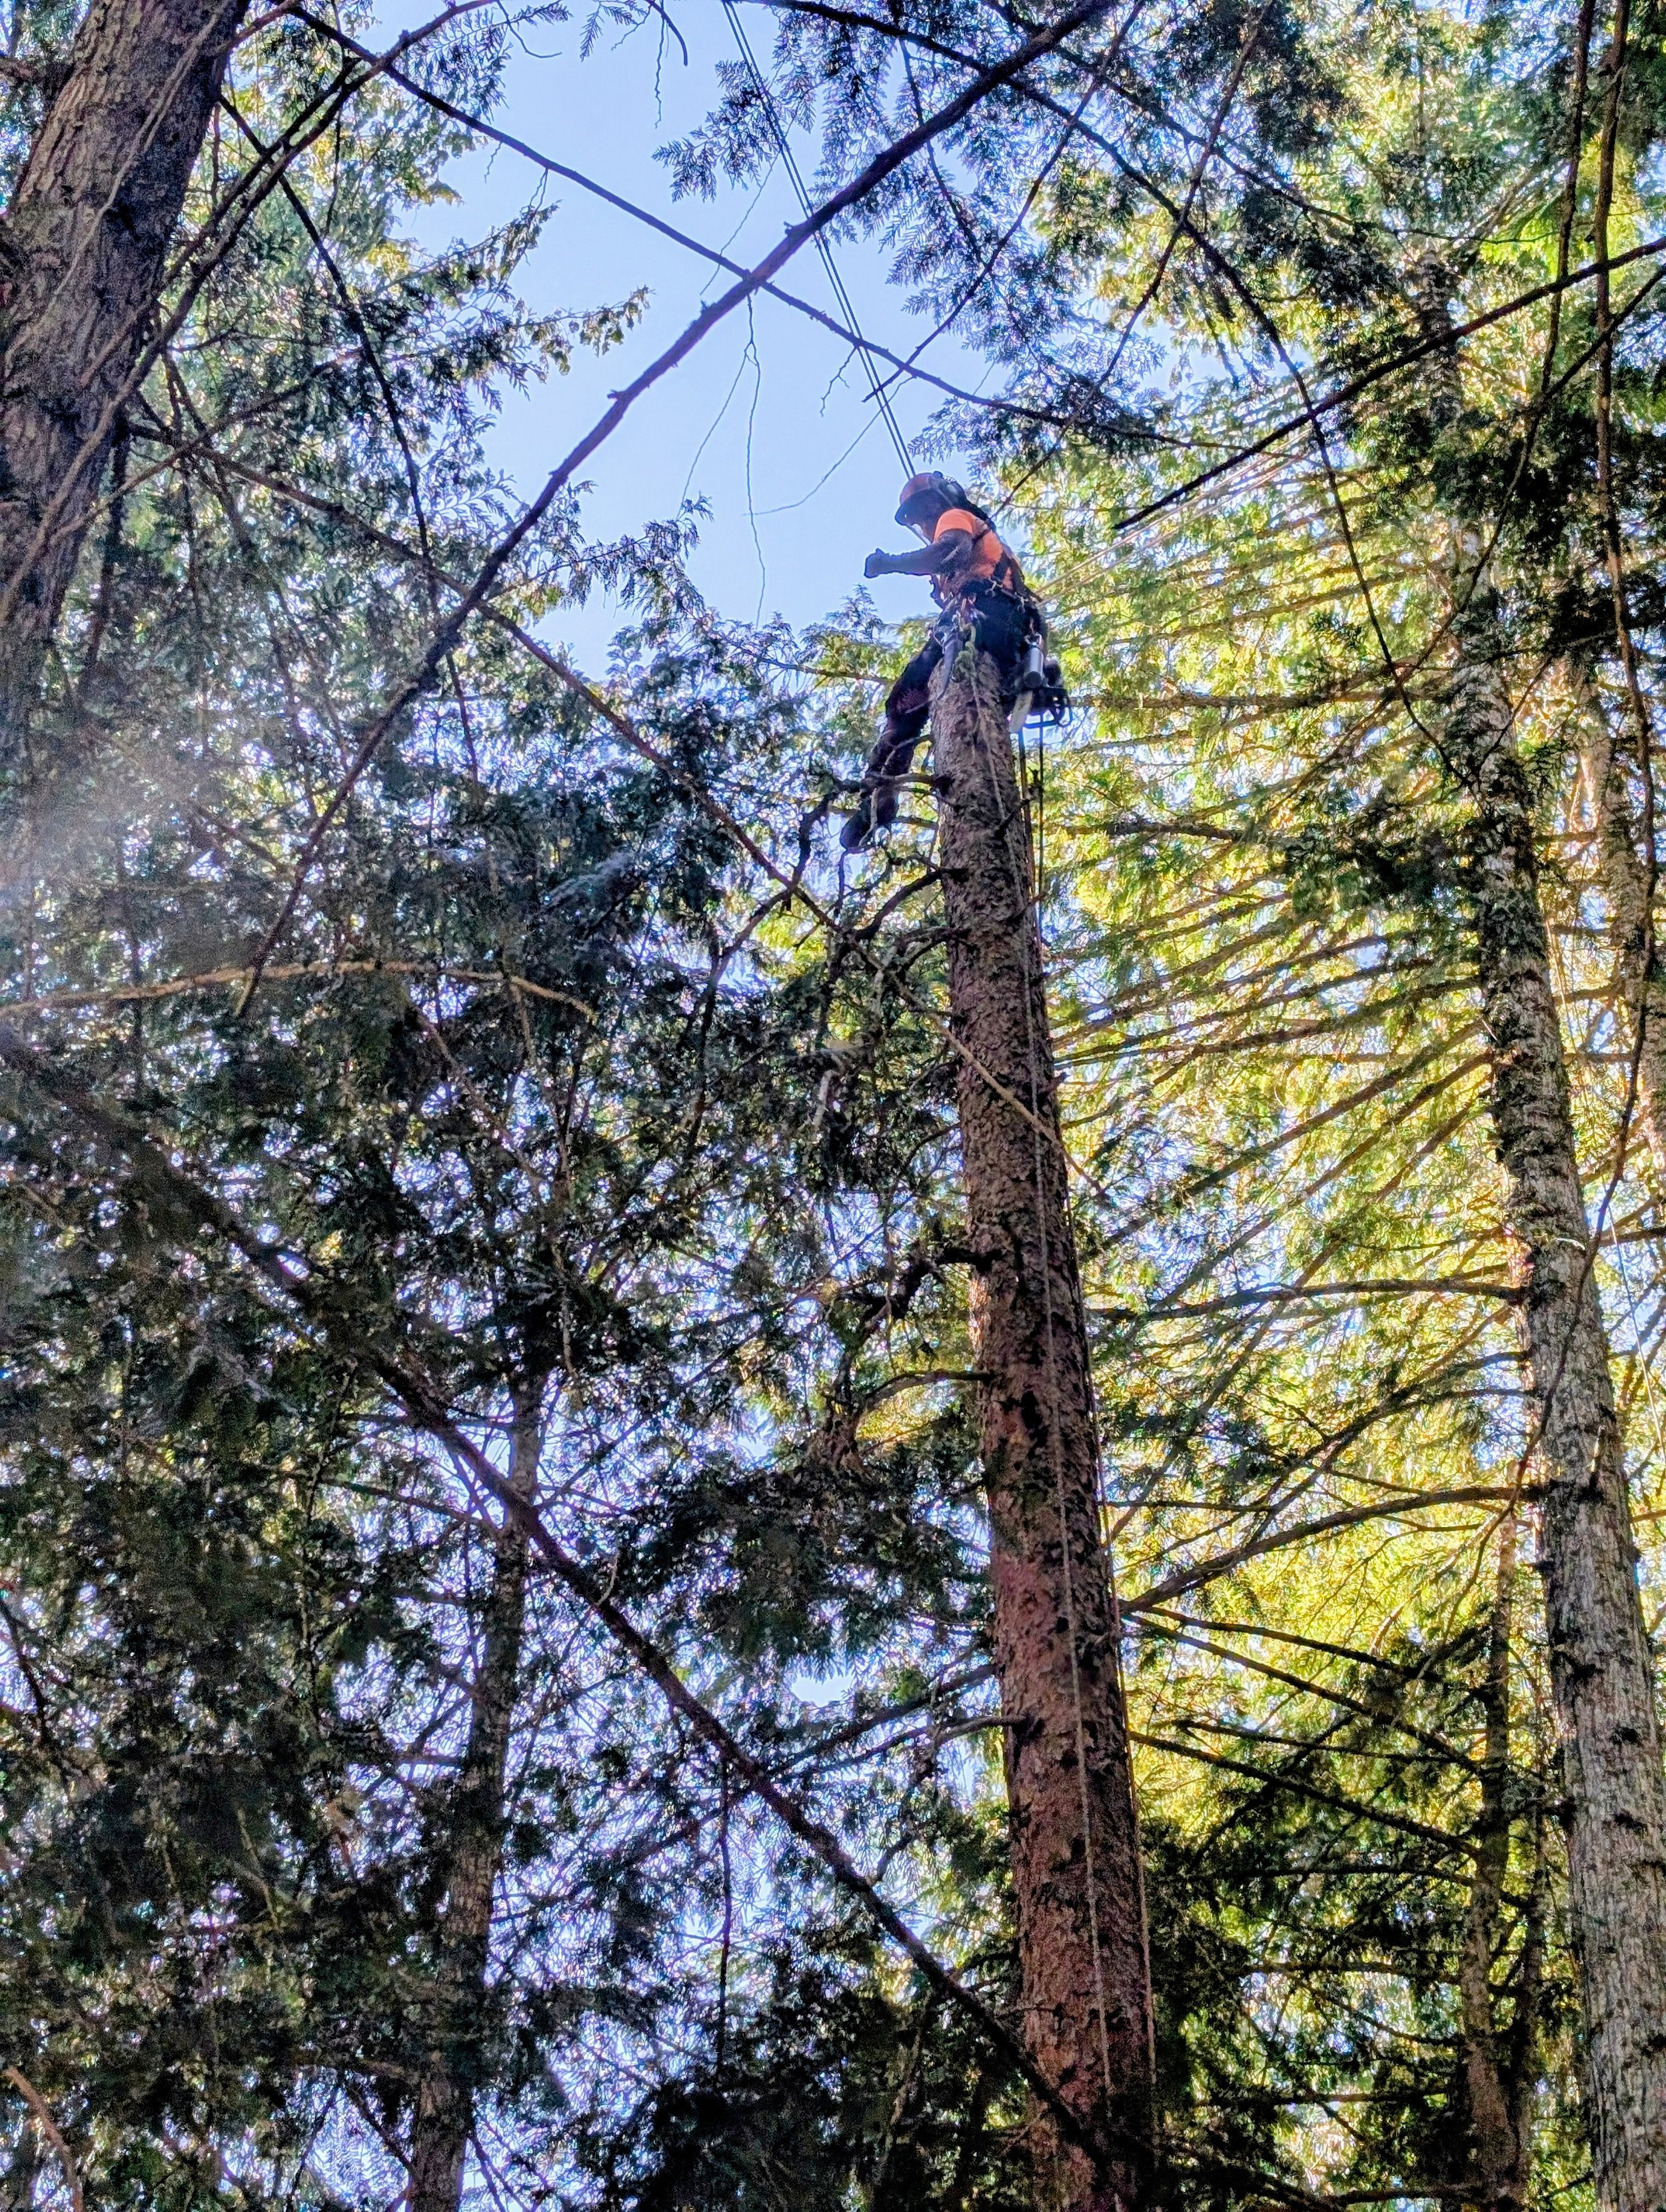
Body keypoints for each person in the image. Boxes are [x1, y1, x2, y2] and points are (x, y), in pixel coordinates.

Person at [842, 472, 1059, 851]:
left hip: (983, 622)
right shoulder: (983, 542)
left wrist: (890, 563)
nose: (924, 523)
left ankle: (880, 794)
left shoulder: (954, 517)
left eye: (924, 511)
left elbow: (949, 551)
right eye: (916, 519)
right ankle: (881, 796)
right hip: (1009, 638)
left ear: (942, 501)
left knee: (904, 705)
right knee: (906, 706)